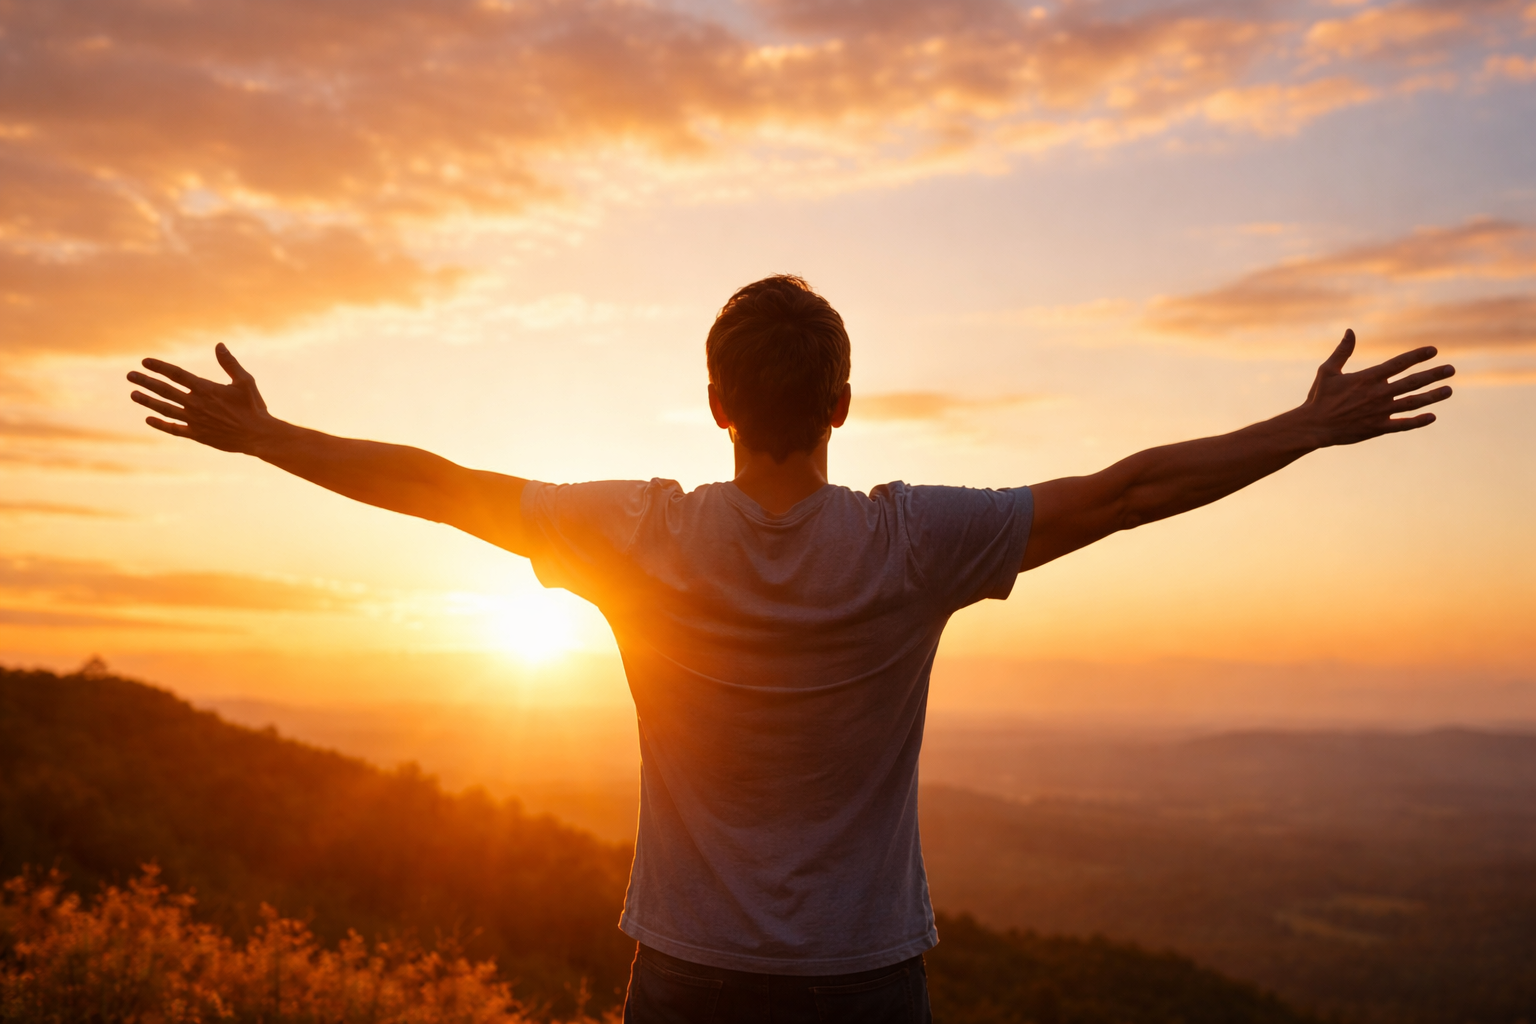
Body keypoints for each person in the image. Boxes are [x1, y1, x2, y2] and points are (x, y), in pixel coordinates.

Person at [128, 274, 1454, 1023]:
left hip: (686, 977)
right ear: (843, 403)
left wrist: (269, 436)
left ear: (716, 404)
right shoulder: (914, 542)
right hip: (866, 982)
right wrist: (1302, 428)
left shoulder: (638, 535)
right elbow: (1129, 491)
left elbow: (438, 486)